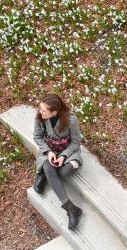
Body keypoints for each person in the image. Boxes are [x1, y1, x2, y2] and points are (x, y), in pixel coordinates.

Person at [33, 94, 83, 230]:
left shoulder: (72, 120)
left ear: (54, 112)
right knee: (50, 168)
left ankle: (43, 174)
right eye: (40, 109)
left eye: (44, 110)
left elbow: (76, 142)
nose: (40, 112)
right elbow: (37, 137)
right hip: (49, 150)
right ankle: (71, 209)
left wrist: (64, 156)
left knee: (63, 172)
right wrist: (48, 152)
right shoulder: (40, 118)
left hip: (68, 151)